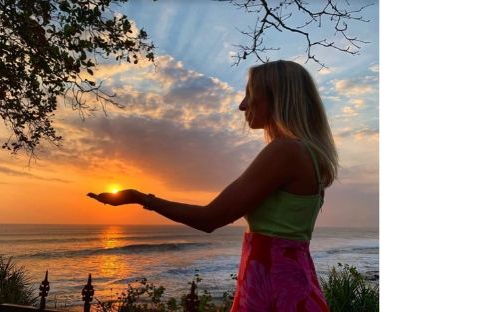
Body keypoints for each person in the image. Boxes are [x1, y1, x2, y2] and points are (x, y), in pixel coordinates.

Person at [87, 60, 338, 312]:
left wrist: (140, 197)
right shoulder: (309, 154)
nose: (242, 105)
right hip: (292, 288)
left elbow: (210, 218)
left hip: (275, 293)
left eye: (250, 95)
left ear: (277, 98)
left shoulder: (286, 151)